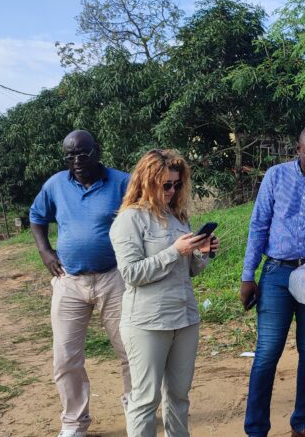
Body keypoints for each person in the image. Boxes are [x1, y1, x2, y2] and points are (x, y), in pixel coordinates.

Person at [29, 130, 132, 437]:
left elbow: (143, 217)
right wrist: (45, 252)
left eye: (82, 153)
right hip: (69, 281)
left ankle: (136, 410)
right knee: (65, 355)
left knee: (130, 350)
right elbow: (37, 217)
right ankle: (74, 423)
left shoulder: (122, 182)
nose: (76, 160)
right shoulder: (56, 185)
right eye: (70, 155)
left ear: (96, 151)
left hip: (115, 278)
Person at [109, 149, 218, 437]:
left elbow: (190, 271)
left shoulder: (177, 217)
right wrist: (174, 251)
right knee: (145, 399)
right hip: (148, 322)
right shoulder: (129, 220)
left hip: (184, 318)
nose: (171, 190)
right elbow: (131, 273)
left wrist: (202, 253)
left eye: (176, 184)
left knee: (179, 397)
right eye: (165, 184)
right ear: (147, 182)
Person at [241, 125, 305, 437]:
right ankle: (256, 429)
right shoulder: (276, 176)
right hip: (277, 274)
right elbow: (258, 225)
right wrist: (248, 276)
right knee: (267, 352)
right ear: (298, 149)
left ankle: (302, 422)